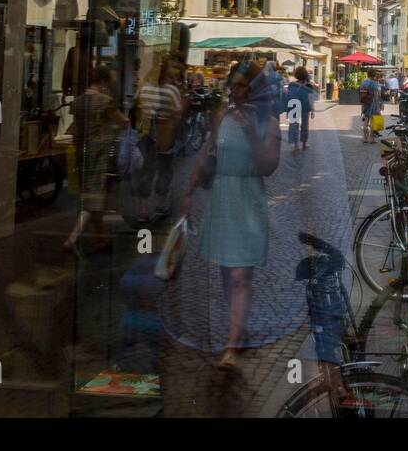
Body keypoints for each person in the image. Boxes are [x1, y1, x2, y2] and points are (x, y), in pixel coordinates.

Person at [182, 60, 280, 370]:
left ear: (255, 90)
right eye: (234, 85)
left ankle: (232, 344)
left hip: (249, 200)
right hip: (223, 197)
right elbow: (206, 153)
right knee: (228, 273)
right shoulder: (220, 116)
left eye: (243, 86)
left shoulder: (270, 122)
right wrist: (188, 191)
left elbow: (267, 166)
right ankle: (240, 326)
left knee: (241, 275)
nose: (237, 91)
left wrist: (251, 130)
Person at [65, 64, 131, 254]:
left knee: (92, 196)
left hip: (81, 154)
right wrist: (113, 129)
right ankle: (72, 238)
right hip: (100, 155)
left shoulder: (77, 102)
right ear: (103, 82)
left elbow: (75, 129)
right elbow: (124, 122)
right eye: (108, 83)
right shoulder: (104, 101)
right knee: (93, 198)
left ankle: (101, 238)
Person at [135, 59, 185, 221]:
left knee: (147, 170)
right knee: (165, 170)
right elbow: (178, 113)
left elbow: (138, 104)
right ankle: (160, 204)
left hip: (146, 134)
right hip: (166, 135)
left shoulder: (145, 88)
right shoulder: (171, 91)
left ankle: (142, 209)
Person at [285, 66, 317, 151]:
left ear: (296, 74)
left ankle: (295, 145)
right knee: (304, 125)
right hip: (305, 107)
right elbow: (311, 98)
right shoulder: (308, 85)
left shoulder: (292, 85)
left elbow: (288, 97)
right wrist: (313, 110)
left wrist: (287, 110)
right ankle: (304, 143)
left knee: (293, 125)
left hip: (293, 106)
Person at [359, 70, 382, 143]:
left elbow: (361, 92)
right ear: (374, 75)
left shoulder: (364, 82)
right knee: (372, 121)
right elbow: (376, 96)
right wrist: (379, 105)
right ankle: (371, 139)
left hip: (365, 102)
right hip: (372, 103)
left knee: (366, 121)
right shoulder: (374, 83)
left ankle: (365, 138)